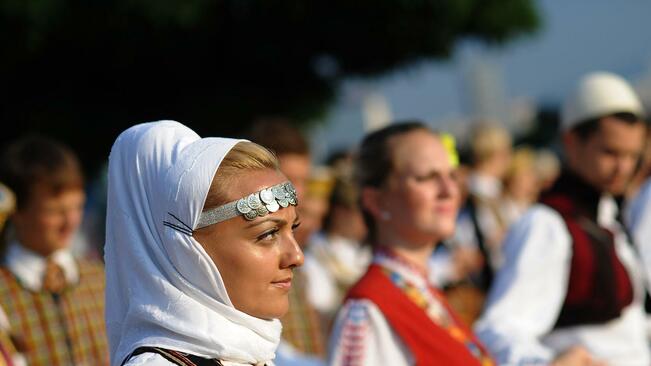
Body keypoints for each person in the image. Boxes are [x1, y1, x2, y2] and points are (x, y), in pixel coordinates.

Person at [475, 71, 649, 365]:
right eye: (610, 153)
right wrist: (545, 363)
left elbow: (627, 329)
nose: (623, 167)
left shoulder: (608, 217)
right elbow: (498, 330)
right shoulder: (547, 224)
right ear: (571, 142)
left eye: (632, 156)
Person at [104, 121, 304, 366]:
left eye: (292, 228)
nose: (296, 256)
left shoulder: (248, 354)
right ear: (188, 248)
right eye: (267, 234)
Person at [328, 122, 494, 365]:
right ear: (376, 201)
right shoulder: (369, 310)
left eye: (452, 175)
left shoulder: (420, 291)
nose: (449, 190)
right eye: (427, 177)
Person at [0, 136, 108, 366]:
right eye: (54, 211)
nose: (70, 221)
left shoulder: (102, 279)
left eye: (77, 206)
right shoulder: (3, 292)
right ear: (16, 211)